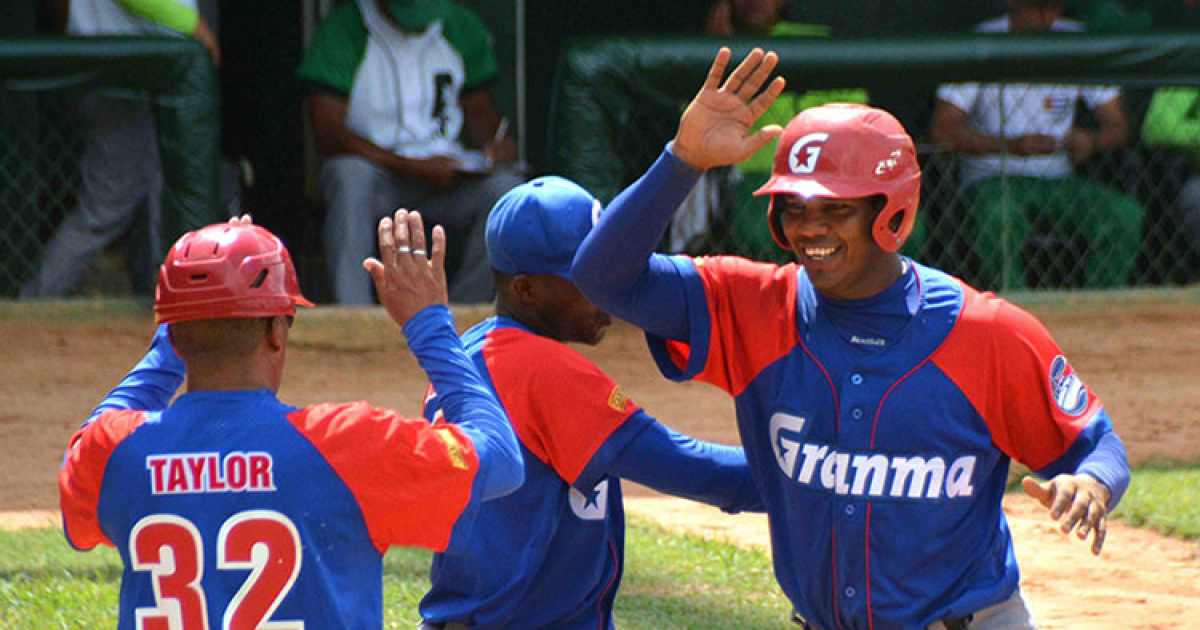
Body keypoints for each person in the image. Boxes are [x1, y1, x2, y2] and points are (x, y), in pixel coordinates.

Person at [571, 47, 1130, 629]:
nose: (809, 227)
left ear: (890, 212)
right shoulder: (752, 307)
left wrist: (1091, 482)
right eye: (793, 207)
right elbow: (603, 277)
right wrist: (681, 160)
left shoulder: (987, 334)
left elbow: (1097, 443)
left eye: (836, 208)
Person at [58, 212, 524, 628]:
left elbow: (82, 467)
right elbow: (501, 460)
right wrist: (429, 324)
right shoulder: (347, 447)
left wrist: (178, 335)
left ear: (175, 337)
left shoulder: (115, 452)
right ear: (277, 332)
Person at [417, 176, 764, 629]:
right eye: (589, 281)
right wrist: (816, 478)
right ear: (526, 290)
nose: (610, 294)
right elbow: (696, 471)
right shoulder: (541, 370)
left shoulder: (468, 354)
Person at [297, 0, 524, 305]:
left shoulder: (460, 24)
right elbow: (328, 135)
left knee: (506, 191)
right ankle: (353, 315)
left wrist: (496, 144)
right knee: (348, 175)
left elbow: (479, 112)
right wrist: (412, 166)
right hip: (378, 176)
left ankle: (461, 316)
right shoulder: (344, 29)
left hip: (446, 177)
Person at [927, 0, 1144, 290]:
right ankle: (1016, 307)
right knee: (999, 216)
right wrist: (1008, 145)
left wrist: (1091, 141)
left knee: (1124, 214)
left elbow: (1118, 127)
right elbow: (942, 129)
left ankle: (1098, 305)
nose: (1047, 16)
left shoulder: (1076, 40)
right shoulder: (983, 41)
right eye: (1038, 7)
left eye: (1055, 8)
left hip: (1059, 178)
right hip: (993, 178)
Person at [20, 0, 219, 299]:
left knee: (159, 191)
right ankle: (34, 301)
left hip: (149, 70)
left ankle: (168, 302)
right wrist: (192, 26)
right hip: (119, 67)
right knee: (107, 205)